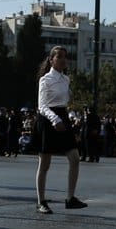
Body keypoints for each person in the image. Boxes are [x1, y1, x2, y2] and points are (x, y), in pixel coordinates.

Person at [35, 46, 87, 214]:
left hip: (62, 116)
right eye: (60, 57)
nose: (64, 60)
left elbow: (64, 100)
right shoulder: (45, 80)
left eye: (65, 57)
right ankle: (41, 202)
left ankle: (70, 198)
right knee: (45, 163)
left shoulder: (66, 79)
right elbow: (42, 105)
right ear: (51, 60)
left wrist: (72, 114)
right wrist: (55, 119)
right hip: (48, 118)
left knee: (75, 158)